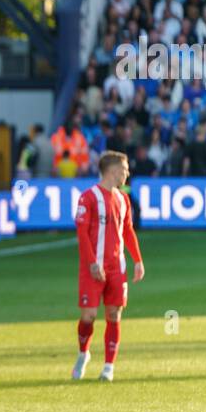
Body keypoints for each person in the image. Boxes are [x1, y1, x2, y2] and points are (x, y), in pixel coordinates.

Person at [73, 150, 145, 383]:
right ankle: (83, 353)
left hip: (116, 267)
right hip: (92, 267)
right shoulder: (88, 197)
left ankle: (108, 367)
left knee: (114, 315)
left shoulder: (123, 199)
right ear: (113, 171)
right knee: (89, 315)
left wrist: (138, 260)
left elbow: (128, 231)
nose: (127, 173)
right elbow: (82, 234)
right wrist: (92, 262)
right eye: (125, 169)